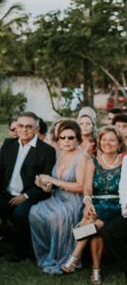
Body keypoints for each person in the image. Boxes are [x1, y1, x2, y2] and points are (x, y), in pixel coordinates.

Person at [0, 111, 56, 262]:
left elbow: (47, 181)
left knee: (20, 213)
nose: (24, 129)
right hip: (6, 195)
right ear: (16, 127)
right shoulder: (9, 144)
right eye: (20, 126)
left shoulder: (46, 151)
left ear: (36, 128)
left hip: (30, 196)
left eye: (29, 126)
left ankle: (21, 250)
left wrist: (26, 196)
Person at [63, 126, 124, 284]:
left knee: (92, 221)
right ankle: (95, 269)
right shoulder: (93, 162)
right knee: (95, 224)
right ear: (99, 142)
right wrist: (88, 201)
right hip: (95, 202)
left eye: (111, 140)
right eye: (103, 139)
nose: (107, 143)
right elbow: (88, 187)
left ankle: (75, 255)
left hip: (117, 203)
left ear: (119, 143)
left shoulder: (125, 162)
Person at [29, 120, 88, 274]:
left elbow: (80, 186)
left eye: (71, 137)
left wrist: (53, 180)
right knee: (35, 211)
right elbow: (53, 185)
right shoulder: (58, 155)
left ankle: (63, 257)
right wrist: (44, 183)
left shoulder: (82, 157)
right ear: (58, 139)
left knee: (58, 216)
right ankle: (48, 251)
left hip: (74, 200)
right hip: (57, 196)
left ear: (77, 139)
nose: (67, 141)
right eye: (63, 138)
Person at [100, 154, 127, 278]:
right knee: (108, 232)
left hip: (115, 207)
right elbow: (123, 187)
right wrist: (124, 205)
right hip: (122, 208)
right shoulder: (126, 159)